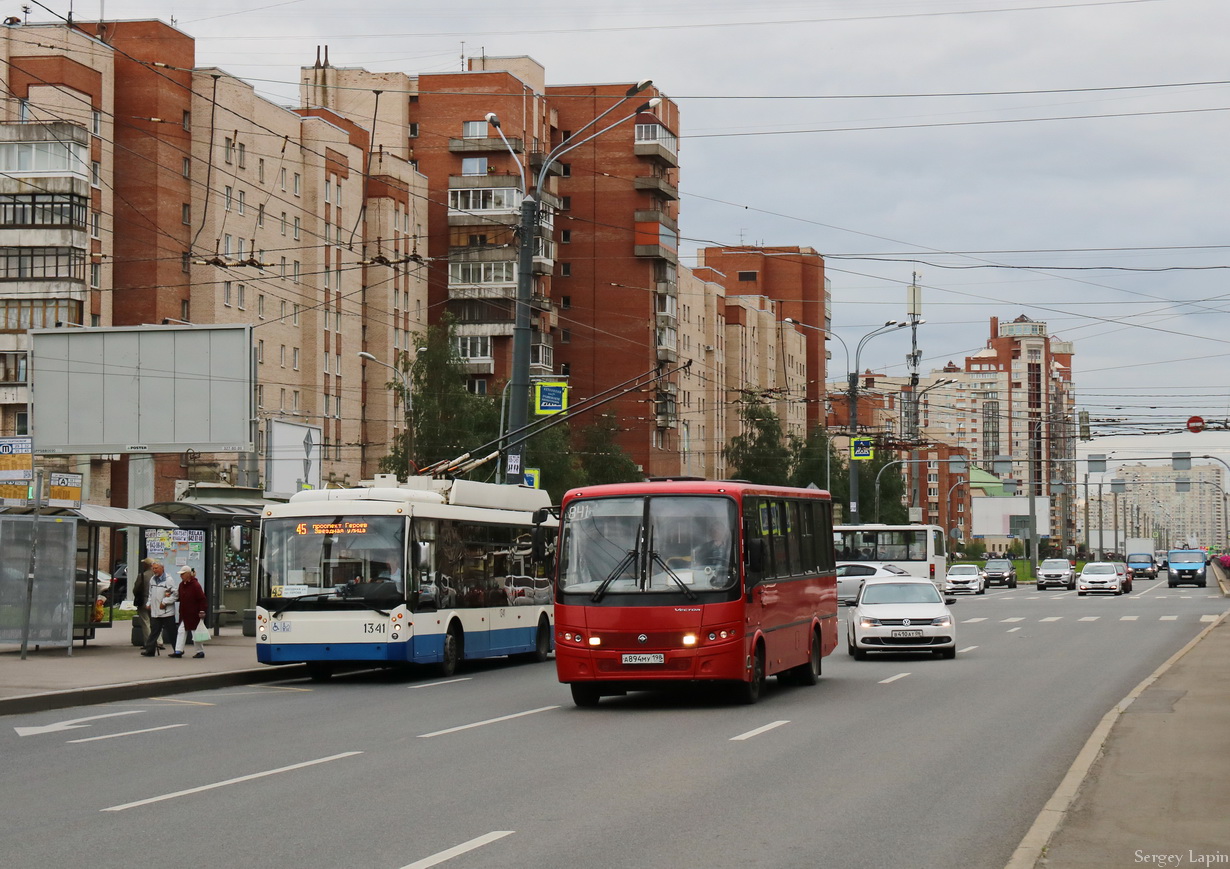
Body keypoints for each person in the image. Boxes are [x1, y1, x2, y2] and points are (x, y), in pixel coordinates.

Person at [171, 565, 208, 659]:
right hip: (184, 613)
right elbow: (180, 597)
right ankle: (178, 650)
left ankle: (200, 651)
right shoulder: (181, 585)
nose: (181, 576)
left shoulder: (195, 585)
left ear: (188, 574)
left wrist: (202, 610)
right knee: (181, 631)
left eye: (182, 574)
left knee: (195, 632)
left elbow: (202, 599)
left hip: (194, 613)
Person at [141, 562, 176, 657]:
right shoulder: (152, 579)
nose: (154, 570)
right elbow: (151, 594)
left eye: (156, 568)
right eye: (153, 568)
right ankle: (150, 650)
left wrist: (165, 602)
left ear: (162, 568)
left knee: (171, 632)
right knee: (154, 631)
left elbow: (174, 594)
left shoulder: (168, 580)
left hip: (167, 612)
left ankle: (177, 650)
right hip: (155, 611)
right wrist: (149, 603)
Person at [692, 520, 733, 587]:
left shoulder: (730, 547)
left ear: (724, 532)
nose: (716, 532)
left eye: (719, 529)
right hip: (707, 576)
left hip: (726, 576)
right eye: (714, 530)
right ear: (710, 533)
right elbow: (698, 564)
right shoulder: (704, 548)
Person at [131, 557, 152, 648]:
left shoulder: (142, 575)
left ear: (147, 565)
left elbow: (136, 589)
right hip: (155, 602)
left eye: (144, 563)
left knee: (145, 622)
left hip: (144, 601)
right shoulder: (157, 575)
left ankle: (149, 642)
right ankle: (159, 641)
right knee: (155, 622)